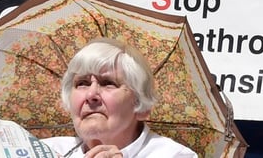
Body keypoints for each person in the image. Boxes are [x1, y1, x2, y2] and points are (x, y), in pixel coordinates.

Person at [42, 38, 197, 158]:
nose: (91, 95)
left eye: (108, 83)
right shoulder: (44, 151)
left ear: (140, 105)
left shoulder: (174, 155)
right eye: (82, 83)